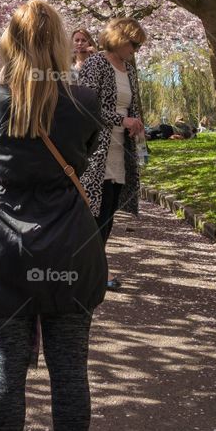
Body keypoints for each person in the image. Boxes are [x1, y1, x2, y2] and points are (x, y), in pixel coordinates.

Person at [0, 0, 107, 431]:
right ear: (63, 44)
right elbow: (85, 153)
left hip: (3, 248)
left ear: (11, 44)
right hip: (68, 247)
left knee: (6, 370)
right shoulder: (87, 100)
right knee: (71, 372)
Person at [78, 17, 147, 292]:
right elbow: (85, 106)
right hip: (97, 152)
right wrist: (121, 121)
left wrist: (136, 122)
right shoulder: (96, 64)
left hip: (121, 151)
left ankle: (94, 270)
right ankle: (89, 272)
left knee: (107, 214)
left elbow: (131, 106)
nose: (136, 49)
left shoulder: (129, 69)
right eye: (134, 43)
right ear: (120, 39)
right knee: (93, 213)